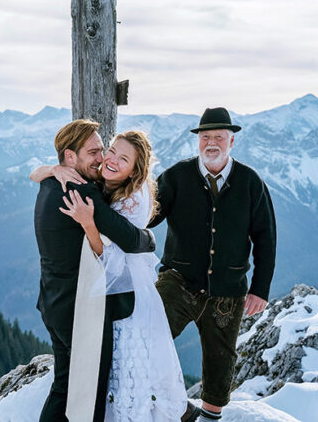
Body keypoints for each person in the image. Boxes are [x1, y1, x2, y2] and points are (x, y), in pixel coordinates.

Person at [34, 130, 188, 421]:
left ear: (134, 171)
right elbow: (130, 241)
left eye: (107, 151)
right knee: (84, 391)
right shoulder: (84, 191)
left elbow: (122, 241)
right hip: (77, 308)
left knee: (68, 386)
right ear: (70, 157)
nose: (104, 158)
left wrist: (53, 169)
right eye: (98, 152)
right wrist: (149, 240)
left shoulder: (52, 183)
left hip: (60, 301)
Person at [149, 107, 277, 422]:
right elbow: (147, 215)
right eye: (205, 137)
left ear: (231, 142)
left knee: (221, 361)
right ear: (198, 141)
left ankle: (208, 418)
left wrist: (260, 289)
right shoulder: (176, 177)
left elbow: (265, 238)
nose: (211, 143)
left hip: (228, 290)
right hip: (178, 280)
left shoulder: (250, 182)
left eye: (219, 137)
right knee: (148, 335)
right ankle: (148, 399)